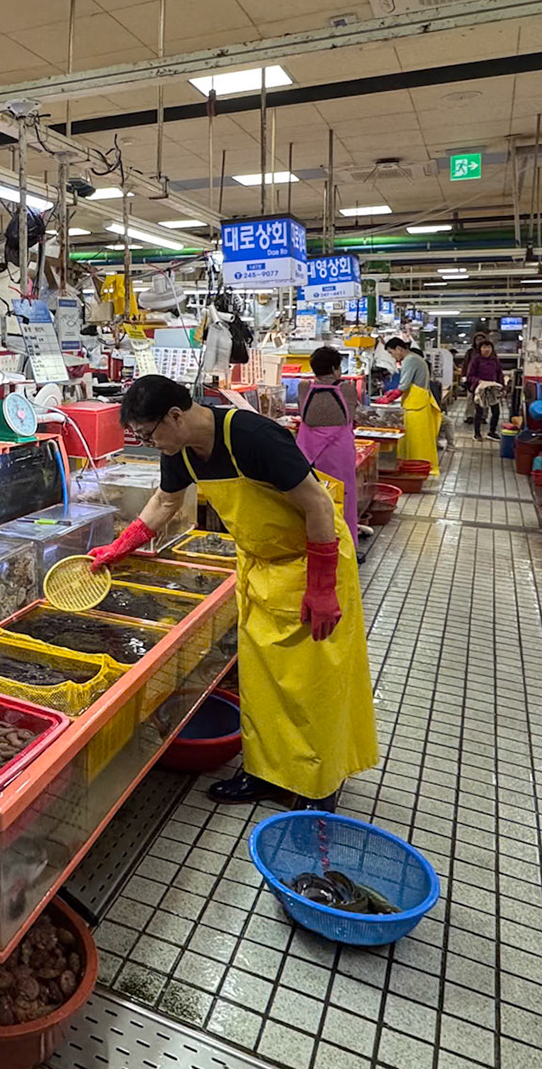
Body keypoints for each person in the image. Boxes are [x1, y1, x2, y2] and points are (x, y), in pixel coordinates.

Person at [92, 376, 377, 809]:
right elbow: (166, 502)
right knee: (263, 683)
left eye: (150, 435)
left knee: (313, 684)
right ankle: (267, 773)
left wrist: (321, 587)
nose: (151, 445)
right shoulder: (181, 450)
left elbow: (317, 504)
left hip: (311, 563)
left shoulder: (252, 436)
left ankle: (318, 783)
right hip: (261, 570)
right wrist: (120, 545)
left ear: (175, 415)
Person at [296, 346, 360, 540]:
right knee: (343, 496)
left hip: (307, 453)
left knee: (311, 498)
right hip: (338, 454)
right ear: (334, 368)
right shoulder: (347, 389)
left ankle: (312, 540)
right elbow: (352, 415)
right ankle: (343, 540)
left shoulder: (303, 387)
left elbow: (302, 413)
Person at [383, 338, 440, 476]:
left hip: (416, 405)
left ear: (399, 349)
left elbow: (404, 385)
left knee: (415, 440)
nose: (392, 356)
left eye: (392, 353)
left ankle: (415, 466)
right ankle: (423, 465)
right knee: (420, 439)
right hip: (419, 401)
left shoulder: (410, 360)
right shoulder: (416, 358)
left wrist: (389, 398)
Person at [463, 341, 505, 441]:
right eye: (484, 347)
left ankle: (492, 432)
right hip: (480, 389)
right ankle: (477, 434)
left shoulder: (495, 360)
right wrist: (479, 381)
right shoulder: (475, 360)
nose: (486, 350)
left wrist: (503, 386)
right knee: (479, 412)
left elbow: (500, 374)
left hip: (493, 388)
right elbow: (470, 376)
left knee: (496, 411)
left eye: (489, 347)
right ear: (480, 349)